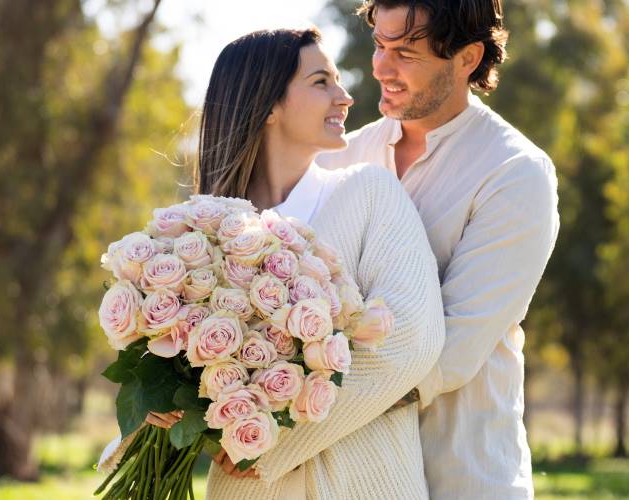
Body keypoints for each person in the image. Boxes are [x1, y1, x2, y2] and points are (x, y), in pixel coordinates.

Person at [100, 27, 445, 500]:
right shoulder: (201, 235)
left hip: (363, 482)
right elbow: (172, 366)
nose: (344, 97)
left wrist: (270, 443)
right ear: (267, 106)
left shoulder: (371, 193)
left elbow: (410, 340)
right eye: (321, 81)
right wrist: (159, 407)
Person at [316, 1, 560, 498]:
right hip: (347, 478)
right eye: (379, 45)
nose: (381, 67)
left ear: (467, 58)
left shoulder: (514, 174)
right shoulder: (344, 158)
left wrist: (278, 403)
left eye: (405, 52)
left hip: (461, 478)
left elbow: (447, 353)